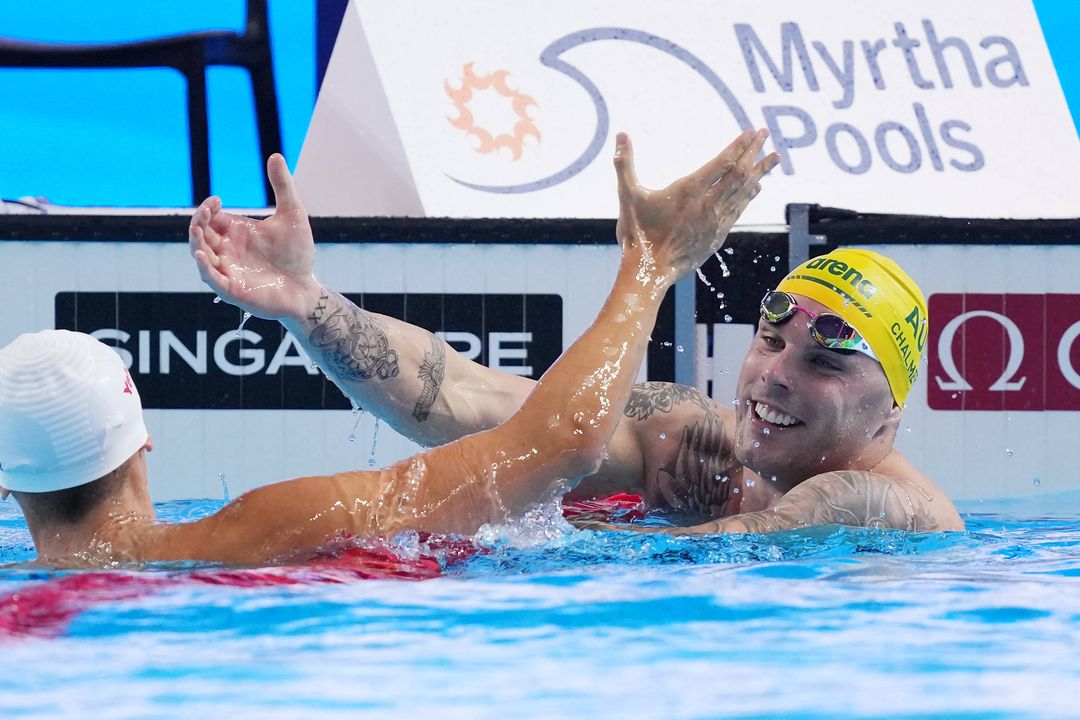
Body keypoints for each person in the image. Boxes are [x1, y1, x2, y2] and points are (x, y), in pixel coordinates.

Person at [0, 130, 777, 568]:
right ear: (144, 441)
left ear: (6, 486)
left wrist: (306, 300)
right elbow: (556, 446)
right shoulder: (256, 533)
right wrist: (651, 263)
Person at [190, 133, 965, 537]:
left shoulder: (883, 504)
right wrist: (308, 303)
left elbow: (755, 544)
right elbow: (464, 398)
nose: (776, 375)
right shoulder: (693, 440)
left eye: (824, 362)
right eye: (770, 342)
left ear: (890, 413)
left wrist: (587, 532)